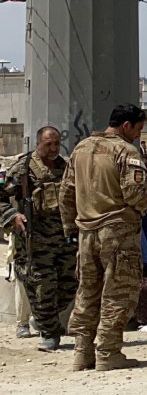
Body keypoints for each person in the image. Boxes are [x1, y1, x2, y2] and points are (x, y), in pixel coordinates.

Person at [60, 105, 147, 371]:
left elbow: (66, 193)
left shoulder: (81, 148)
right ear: (126, 126)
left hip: (86, 233)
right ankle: (108, 353)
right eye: (137, 129)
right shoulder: (126, 151)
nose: (137, 135)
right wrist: (144, 205)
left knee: (87, 292)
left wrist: (70, 228)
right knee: (117, 293)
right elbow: (135, 193)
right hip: (117, 232)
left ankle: (82, 353)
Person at [1, 126, 75, 352]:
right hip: (35, 240)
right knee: (43, 288)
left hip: (63, 239)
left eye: (57, 144)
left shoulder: (66, 167)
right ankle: (50, 333)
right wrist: (13, 216)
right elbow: (2, 198)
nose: (53, 149)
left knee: (69, 287)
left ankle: (43, 319)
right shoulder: (23, 169)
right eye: (48, 144)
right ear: (38, 143)